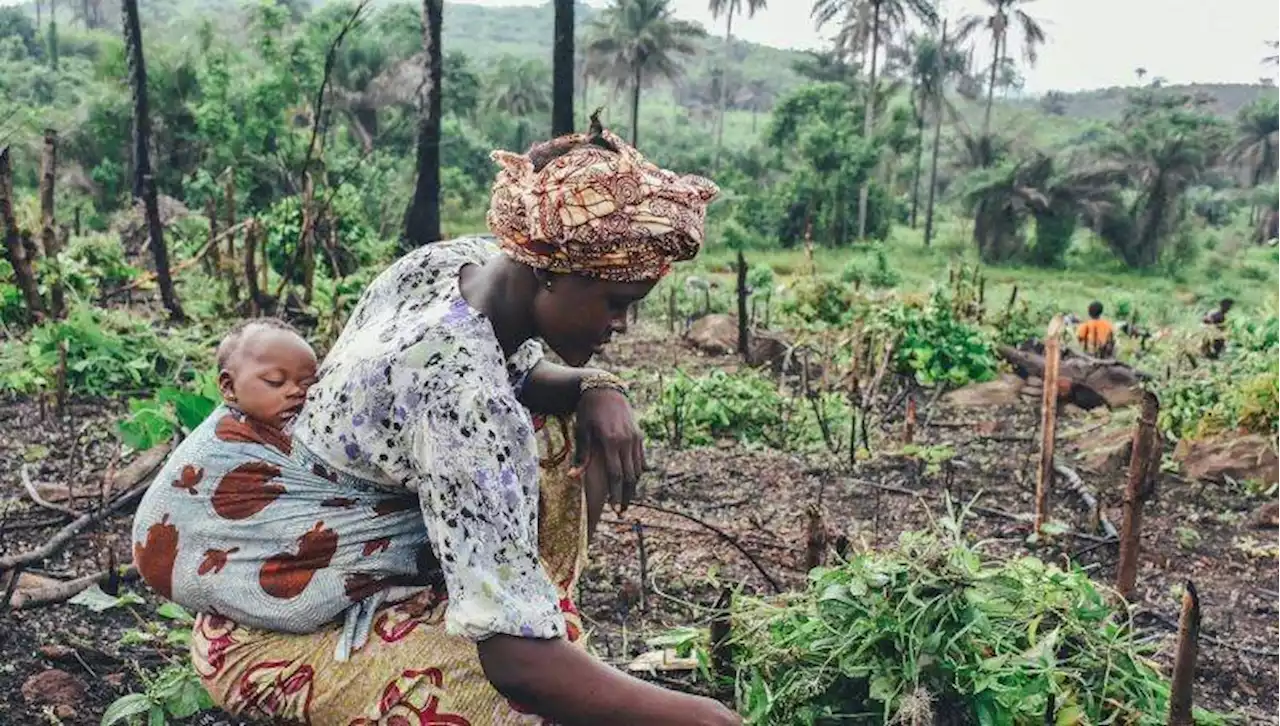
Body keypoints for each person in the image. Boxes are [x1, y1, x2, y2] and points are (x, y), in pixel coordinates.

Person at [134, 116, 740, 725]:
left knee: (556, 430)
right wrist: (706, 718)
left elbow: (524, 378)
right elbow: (515, 667)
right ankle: (514, 619)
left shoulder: (452, 265)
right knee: (525, 710)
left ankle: (528, 606)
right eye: (617, 304)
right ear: (552, 269)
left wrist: (597, 387)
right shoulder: (461, 397)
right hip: (272, 637)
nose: (620, 327)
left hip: (335, 572)